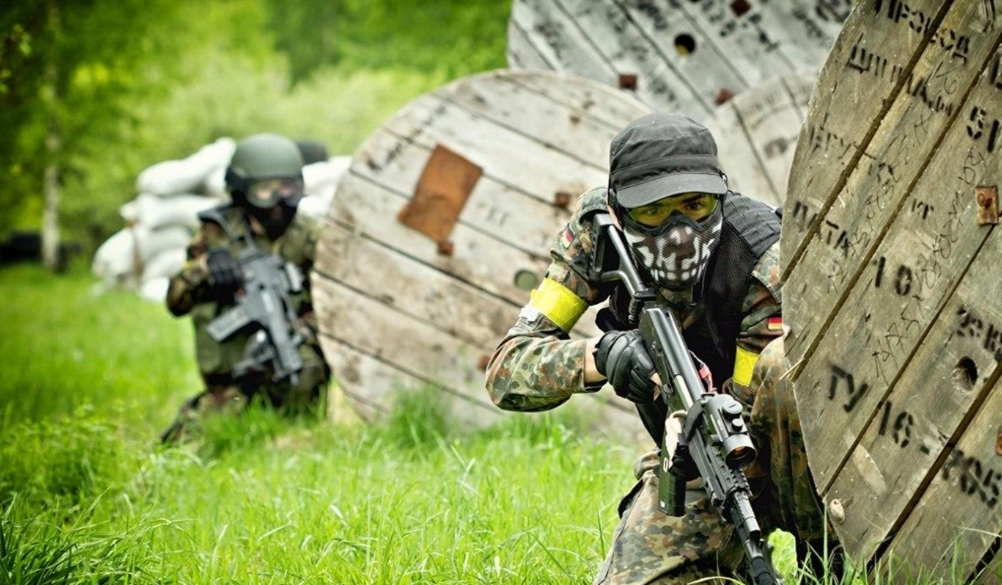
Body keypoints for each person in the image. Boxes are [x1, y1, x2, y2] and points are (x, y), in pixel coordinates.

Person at [485, 113, 840, 583]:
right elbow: (506, 371)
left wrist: (695, 426)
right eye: (654, 211)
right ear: (618, 210)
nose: (679, 232)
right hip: (692, 463)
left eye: (695, 205)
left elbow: (759, 412)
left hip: (793, 465)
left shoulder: (761, 261)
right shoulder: (597, 234)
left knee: (781, 366)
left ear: (719, 195)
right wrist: (601, 358)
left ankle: (829, 559)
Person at [160, 133, 331, 443]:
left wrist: (302, 330)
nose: (278, 200)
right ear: (242, 192)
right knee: (201, 435)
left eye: (287, 188)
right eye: (265, 190)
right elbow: (175, 301)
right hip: (235, 375)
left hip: (295, 362)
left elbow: (337, 303)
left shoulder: (308, 236)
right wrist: (207, 268)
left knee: (300, 411)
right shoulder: (217, 234)